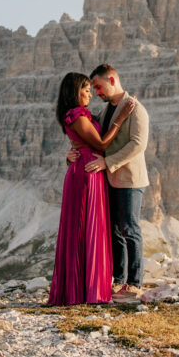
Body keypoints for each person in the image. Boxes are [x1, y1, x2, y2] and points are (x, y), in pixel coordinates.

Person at [48, 72, 135, 306]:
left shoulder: (82, 114)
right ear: (75, 91)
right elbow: (101, 143)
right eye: (86, 90)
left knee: (91, 227)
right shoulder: (76, 115)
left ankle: (88, 287)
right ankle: (84, 291)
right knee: (85, 227)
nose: (90, 94)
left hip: (91, 170)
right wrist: (122, 118)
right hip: (86, 174)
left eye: (91, 89)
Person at [68, 64, 149, 304]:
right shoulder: (105, 111)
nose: (96, 92)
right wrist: (71, 153)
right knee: (115, 231)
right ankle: (118, 279)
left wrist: (107, 162)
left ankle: (134, 284)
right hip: (108, 180)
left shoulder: (136, 109)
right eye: (93, 88)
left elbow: (137, 145)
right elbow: (89, 136)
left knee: (130, 229)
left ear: (112, 80)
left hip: (129, 180)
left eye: (99, 87)